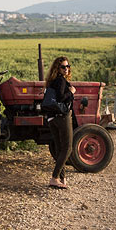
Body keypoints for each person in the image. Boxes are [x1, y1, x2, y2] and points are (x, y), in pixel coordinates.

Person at [45, 56, 75, 189]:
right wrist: (71, 92)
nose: (66, 69)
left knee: (59, 148)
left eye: (68, 66)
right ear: (58, 68)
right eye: (63, 67)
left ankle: (61, 179)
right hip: (62, 117)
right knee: (68, 148)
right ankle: (54, 177)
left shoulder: (51, 81)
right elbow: (62, 97)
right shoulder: (61, 81)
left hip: (51, 118)